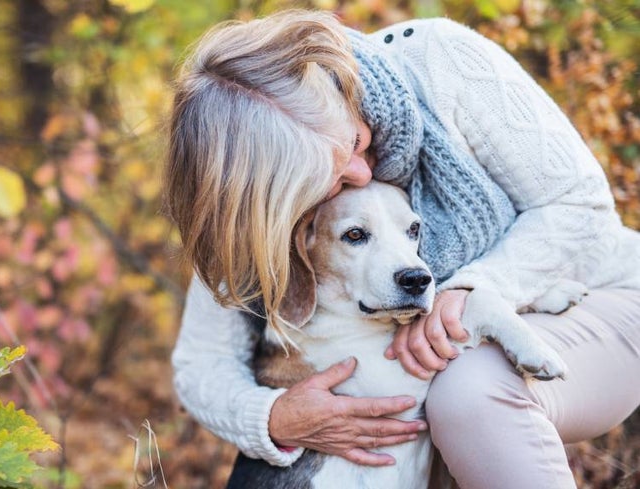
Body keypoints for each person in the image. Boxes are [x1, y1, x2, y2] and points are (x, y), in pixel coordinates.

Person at [164, 9, 640, 489]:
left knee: (467, 391)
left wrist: (471, 292)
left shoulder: (441, 60)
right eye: (319, 180)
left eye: (353, 141)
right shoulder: (258, 208)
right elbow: (202, 363)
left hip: (603, 296)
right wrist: (272, 418)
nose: (362, 174)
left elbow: (580, 207)